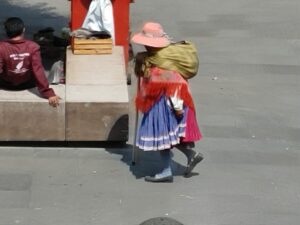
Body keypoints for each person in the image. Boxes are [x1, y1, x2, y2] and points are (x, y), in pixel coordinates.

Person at [131, 22, 204, 182]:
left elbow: (175, 85)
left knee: (163, 138)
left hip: (166, 106)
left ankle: (165, 171)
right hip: (165, 104)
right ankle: (191, 155)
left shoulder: (162, 64)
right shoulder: (159, 58)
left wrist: (177, 107)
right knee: (170, 137)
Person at [0, 17, 60, 107]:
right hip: (27, 84)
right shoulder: (33, 46)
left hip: (6, 85)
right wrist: (48, 93)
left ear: (6, 31)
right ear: (23, 29)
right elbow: (38, 70)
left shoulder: (1, 47)